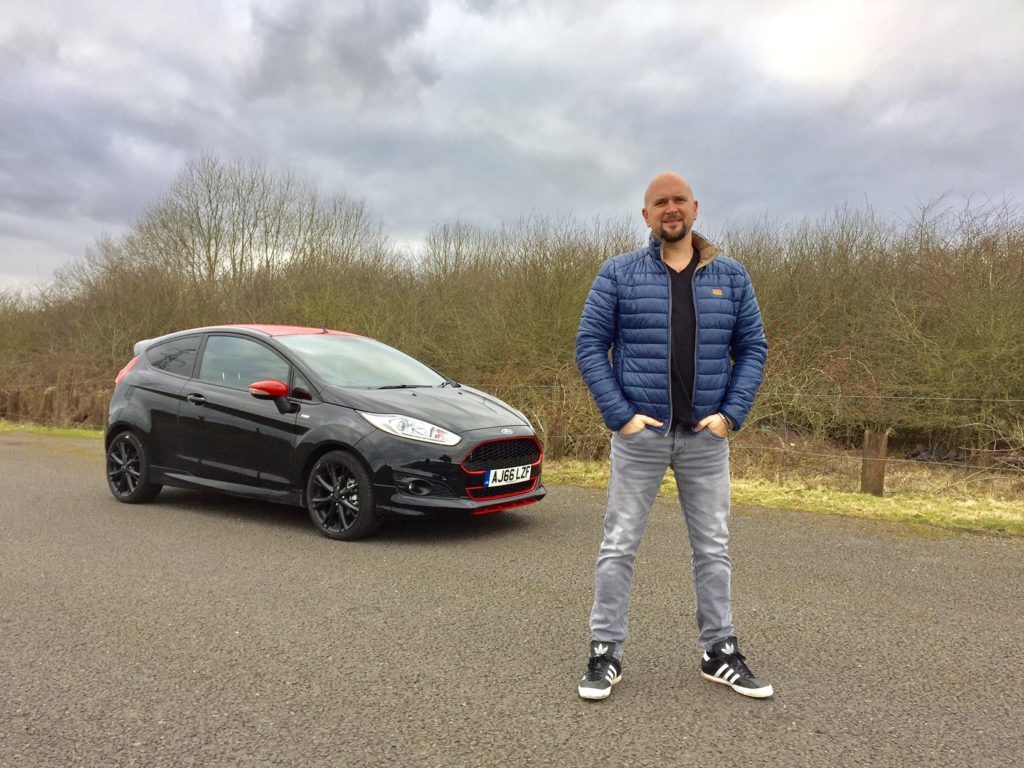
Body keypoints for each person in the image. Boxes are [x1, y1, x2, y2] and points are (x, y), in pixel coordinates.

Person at [575, 171, 771, 701]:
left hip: (706, 439)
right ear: (645, 215)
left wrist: (731, 415)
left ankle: (719, 653)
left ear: (695, 208)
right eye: (659, 202)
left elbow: (753, 348)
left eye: (678, 200)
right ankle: (605, 653)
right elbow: (590, 345)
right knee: (618, 546)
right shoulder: (618, 273)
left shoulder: (730, 276)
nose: (670, 208)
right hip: (641, 437)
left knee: (713, 548)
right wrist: (620, 415)